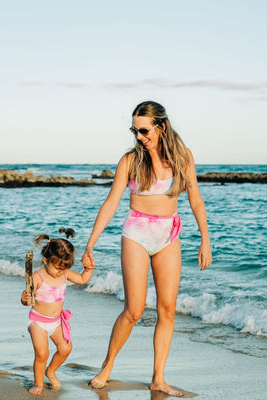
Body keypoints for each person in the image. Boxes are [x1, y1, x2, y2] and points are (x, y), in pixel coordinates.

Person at [82, 101, 212, 397]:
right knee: (134, 310)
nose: (139, 136)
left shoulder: (183, 157)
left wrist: (205, 239)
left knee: (167, 310)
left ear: (161, 126)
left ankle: (158, 378)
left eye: (143, 130)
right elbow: (112, 202)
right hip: (137, 233)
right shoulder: (130, 160)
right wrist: (91, 243)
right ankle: (107, 366)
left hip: (169, 234)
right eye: (135, 130)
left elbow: (195, 199)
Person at [21, 227, 94, 395]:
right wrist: (24, 299)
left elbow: (82, 279)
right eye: (57, 268)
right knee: (42, 353)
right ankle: (38, 383)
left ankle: (51, 371)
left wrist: (89, 269)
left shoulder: (64, 273)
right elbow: (28, 299)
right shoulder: (37, 278)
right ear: (46, 260)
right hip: (38, 322)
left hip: (56, 322)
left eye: (64, 268)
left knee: (65, 348)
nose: (60, 272)